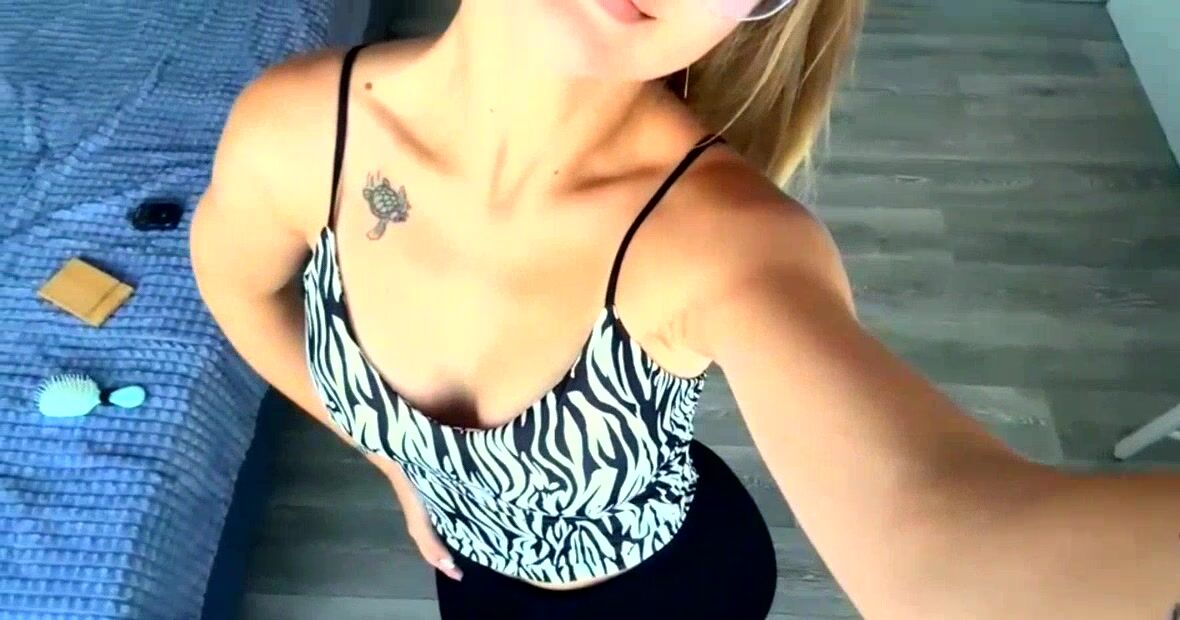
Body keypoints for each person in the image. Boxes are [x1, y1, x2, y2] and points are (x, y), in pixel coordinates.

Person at [190, 0, 1180, 618]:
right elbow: (237, 288)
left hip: (670, 594)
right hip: (467, 577)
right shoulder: (297, 130)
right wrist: (393, 456)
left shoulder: (726, 242)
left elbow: (945, 559)